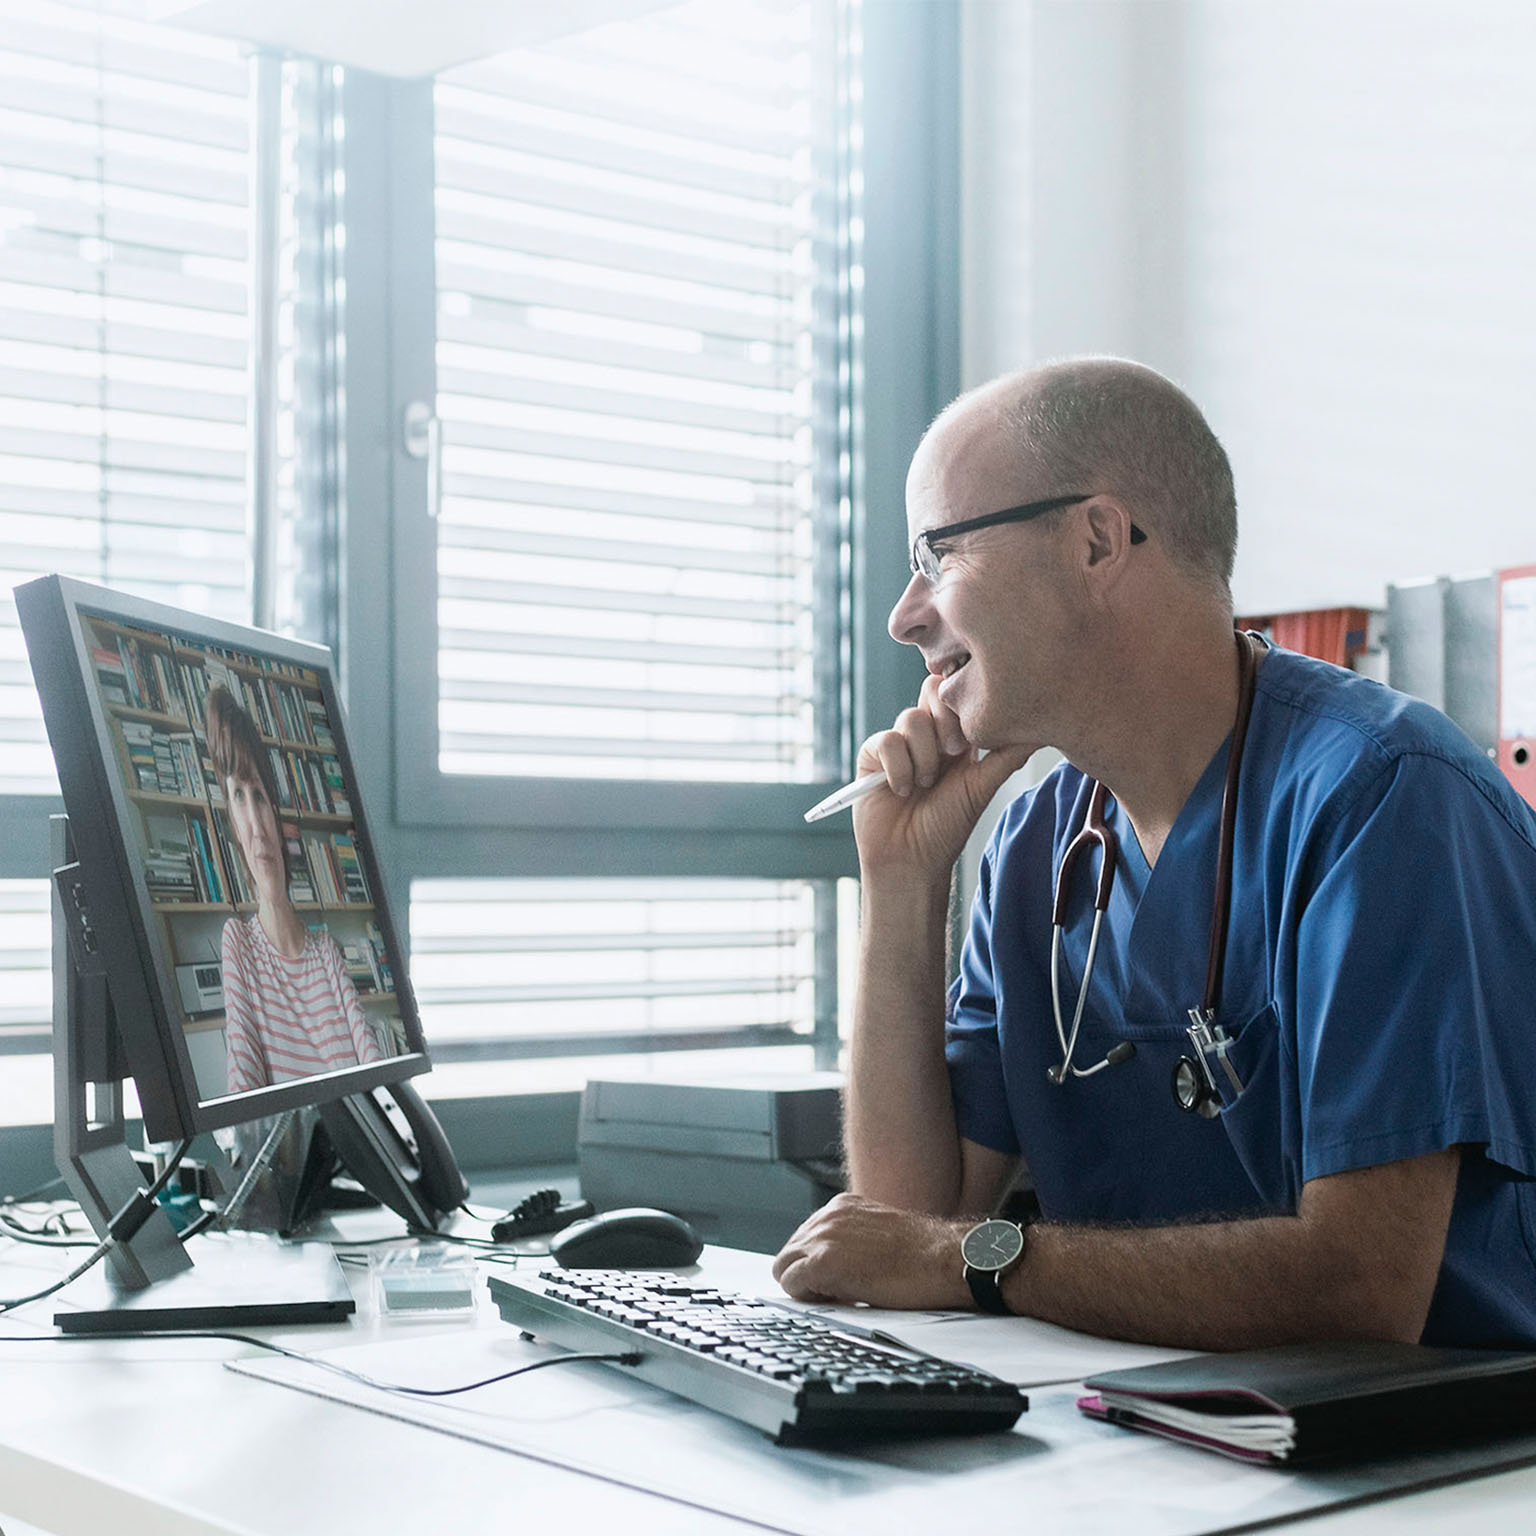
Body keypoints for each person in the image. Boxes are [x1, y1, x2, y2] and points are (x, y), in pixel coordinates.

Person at [771, 357, 1536, 1350]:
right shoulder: (1038, 843)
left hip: (1436, 1466)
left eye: (939, 557)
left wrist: (975, 1260)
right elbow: (905, 1221)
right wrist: (903, 881)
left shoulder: (1385, 795)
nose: (905, 615)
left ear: (1096, 541)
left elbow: (1363, 1288)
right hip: (1147, 1425)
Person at [204, 683, 384, 1094]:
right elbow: (243, 1090)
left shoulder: (325, 950)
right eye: (239, 798)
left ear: (277, 813)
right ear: (232, 821)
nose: (255, 824)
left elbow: (372, 1066)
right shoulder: (239, 943)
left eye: (260, 798)